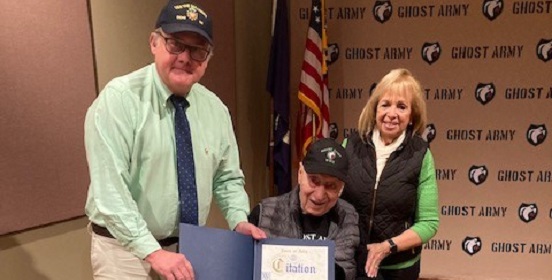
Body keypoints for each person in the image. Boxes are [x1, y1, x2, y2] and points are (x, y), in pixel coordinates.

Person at [83, 1, 265, 279]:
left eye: (197, 50)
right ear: (154, 43)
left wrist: (239, 220)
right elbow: (110, 193)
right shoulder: (119, 99)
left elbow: (227, 179)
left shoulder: (215, 109)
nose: (185, 57)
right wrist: (153, 252)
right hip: (123, 251)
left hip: (189, 249)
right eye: (175, 44)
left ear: (208, 58)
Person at [341, 69, 439, 280]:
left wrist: (387, 247)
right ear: (374, 108)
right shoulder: (350, 145)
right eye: (385, 104)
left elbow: (429, 222)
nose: (391, 114)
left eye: (401, 107)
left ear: (412, 115)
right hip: (352, 263)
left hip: (399, 268)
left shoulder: (421, 154)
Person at [248, 138, 360, 280]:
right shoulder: (263, 214)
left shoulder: (350, 218)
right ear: (300, 173)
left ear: (341, 188)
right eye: (314, 181)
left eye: (331, 186)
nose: (319, 196)